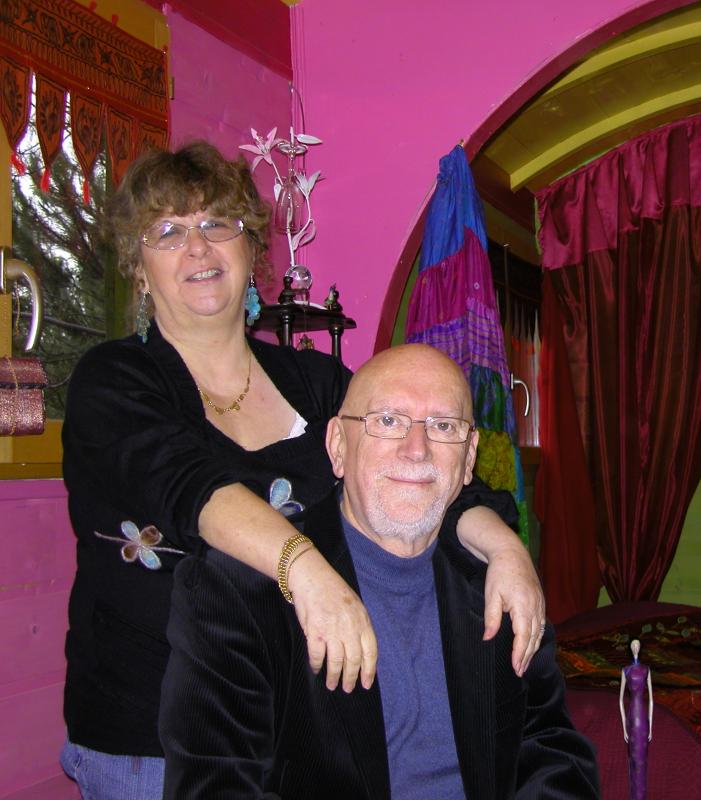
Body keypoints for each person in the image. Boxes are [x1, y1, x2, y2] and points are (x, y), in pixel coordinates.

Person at [59, 140, 544, 800]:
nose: (197, 247)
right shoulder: (113, 381)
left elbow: (422, 462)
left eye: (216, 223)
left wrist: (505, 549)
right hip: (148, 740)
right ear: (138, 268)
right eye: (167, 231)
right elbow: (191, 487)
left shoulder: (317, 383)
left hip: (297, 728)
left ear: (250, 252)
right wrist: (306, 569)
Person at [160, 343, 600, 800]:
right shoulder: (236, 592)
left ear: (469, 458)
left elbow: (550, 751)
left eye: (443, 426)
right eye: (388, 420)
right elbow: (216, 785)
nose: (417, 449)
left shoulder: (500, 581)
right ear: (338, 446)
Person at [619, 638, 653, 800]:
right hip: (632, 716)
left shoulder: (646, 670)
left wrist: (651, 726)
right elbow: (620, 700)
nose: (635, 647)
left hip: (643, 716)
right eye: (633, 644)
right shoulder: (625, 670)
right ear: (630, 647)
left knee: (642, 758)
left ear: (640, 647)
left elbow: (651, 699)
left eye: (637, 644)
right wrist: (624, 728)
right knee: (633, 757)